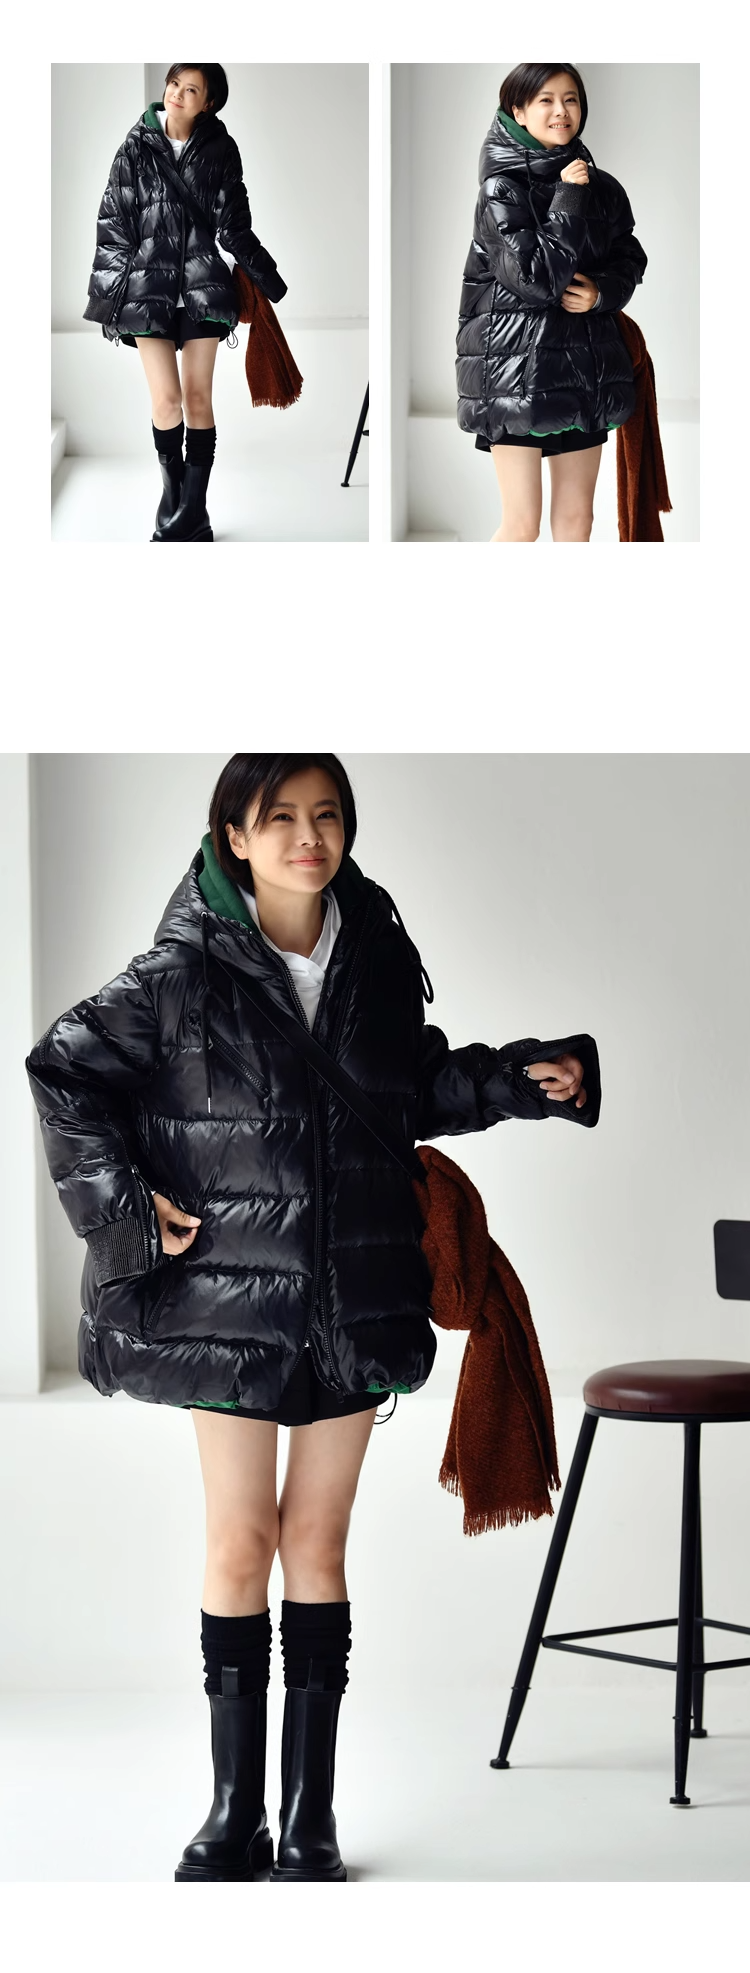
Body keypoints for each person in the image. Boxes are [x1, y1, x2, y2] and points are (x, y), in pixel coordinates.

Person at [26, 753, 600, 1883]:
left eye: (327, 814)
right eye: (280, 816)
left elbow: (408, 1085)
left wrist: (515, 1080)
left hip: (351, 1293)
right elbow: (63, 1070)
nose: (308, 836)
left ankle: (309, 1813)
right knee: (241, 1540)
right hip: (228, 1301)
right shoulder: (179, 971)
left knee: (317, 1543)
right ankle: (232, 1810)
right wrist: (125, 1208)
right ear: (233, 836)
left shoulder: (376, 956)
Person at [83, 65, 287, 542]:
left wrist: (268, 278)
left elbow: (234, 224)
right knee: (166, 401)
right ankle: (174, 495)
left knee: (197, 399)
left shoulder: (221, 149)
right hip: (147, 290)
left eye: (190, 89)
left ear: (207, 103)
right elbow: (113, 227)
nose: (176, 93)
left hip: (202, 288)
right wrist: (107, 301)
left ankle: (195, 511)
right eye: (174, 83)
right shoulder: (135, 147)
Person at [456, 64, 647, 541]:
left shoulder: (604, 188)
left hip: (586, 371)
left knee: (577, 521)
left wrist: (601, 294)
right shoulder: (501, 190)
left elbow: (630, 257)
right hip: (515, 371)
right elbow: (536, 279)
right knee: (521, 527)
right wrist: (567, 196)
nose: (562, 110)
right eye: (546, 100)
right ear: (518, 111)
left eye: (571, 99)